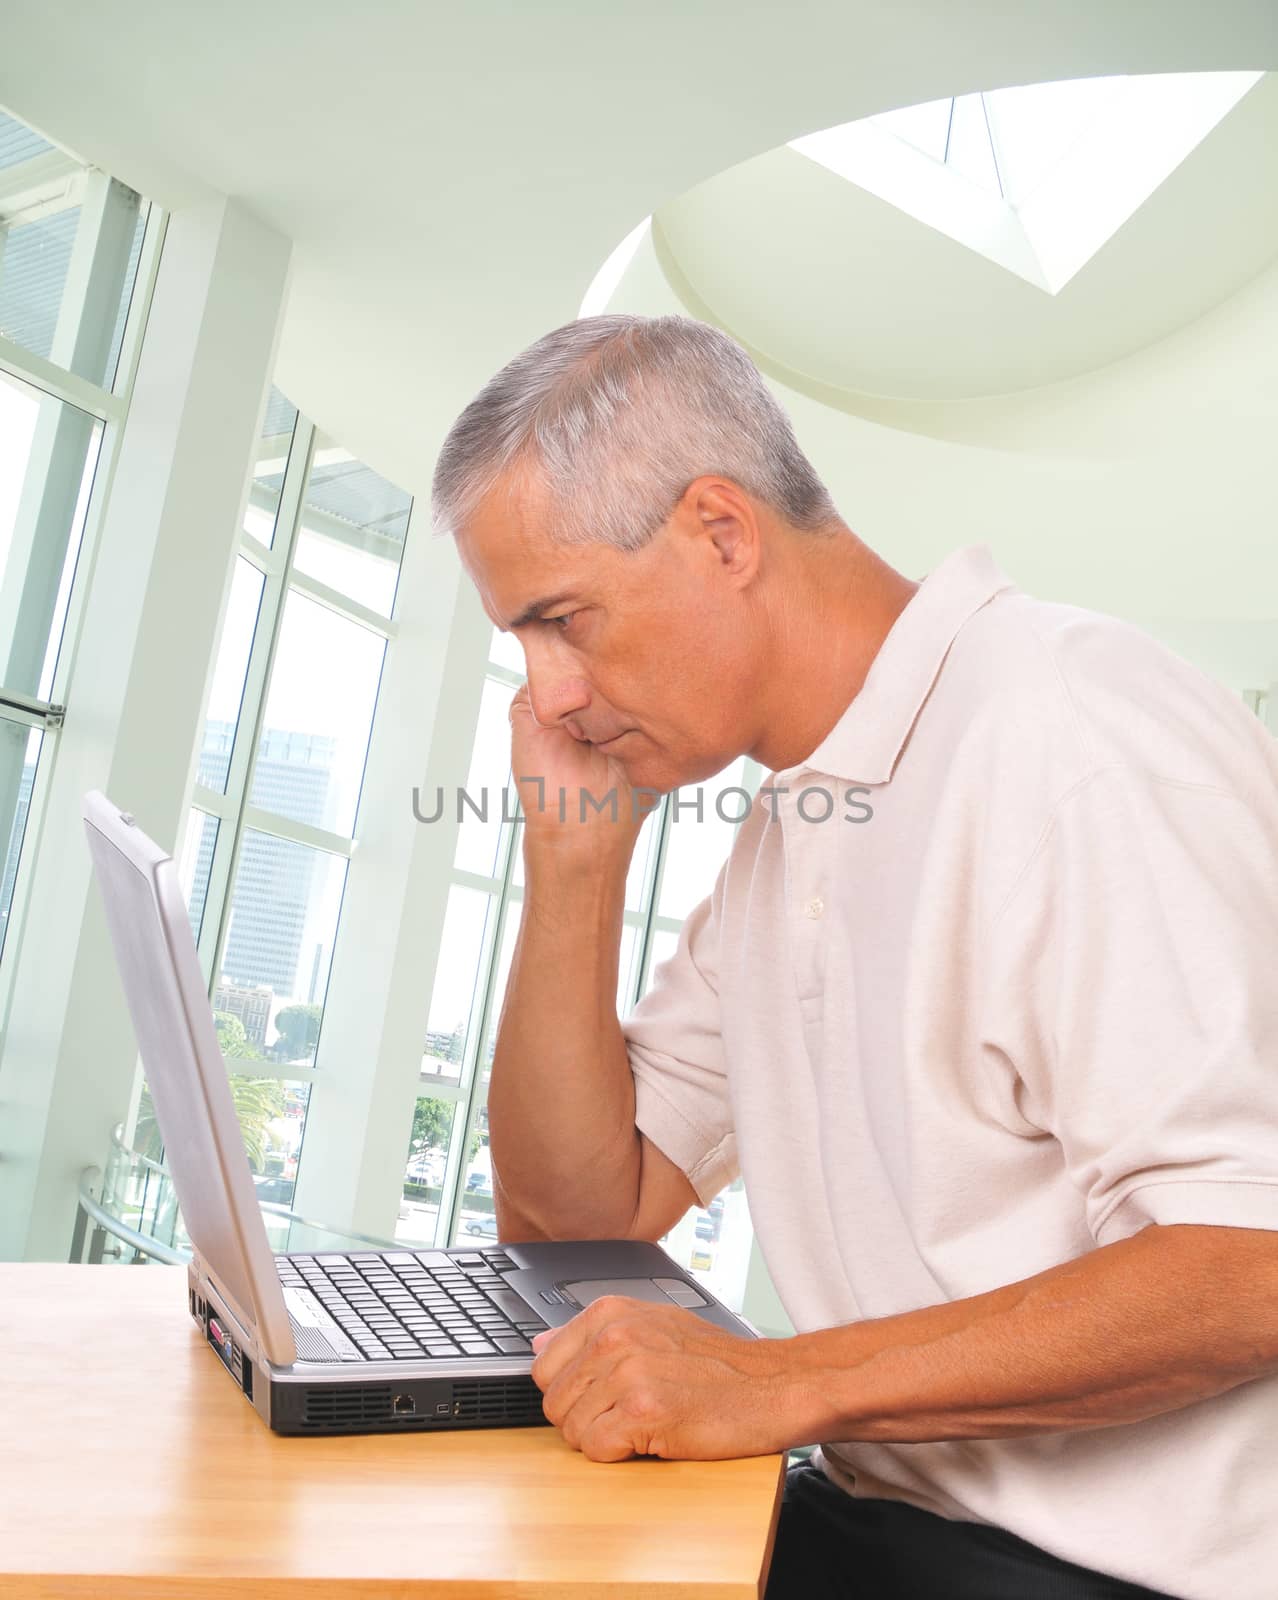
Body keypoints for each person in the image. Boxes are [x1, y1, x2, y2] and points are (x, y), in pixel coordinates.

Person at [429, 313, 1278, 1600]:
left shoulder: (1074, 732)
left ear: (723, 532)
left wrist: (775, 1380)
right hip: (889, 1525)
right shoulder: (799, 822)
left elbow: (1249, 1257)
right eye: (523, 646)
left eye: (564, 621)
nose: (546, 697)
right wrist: (574, 871)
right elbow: (573, 1222)